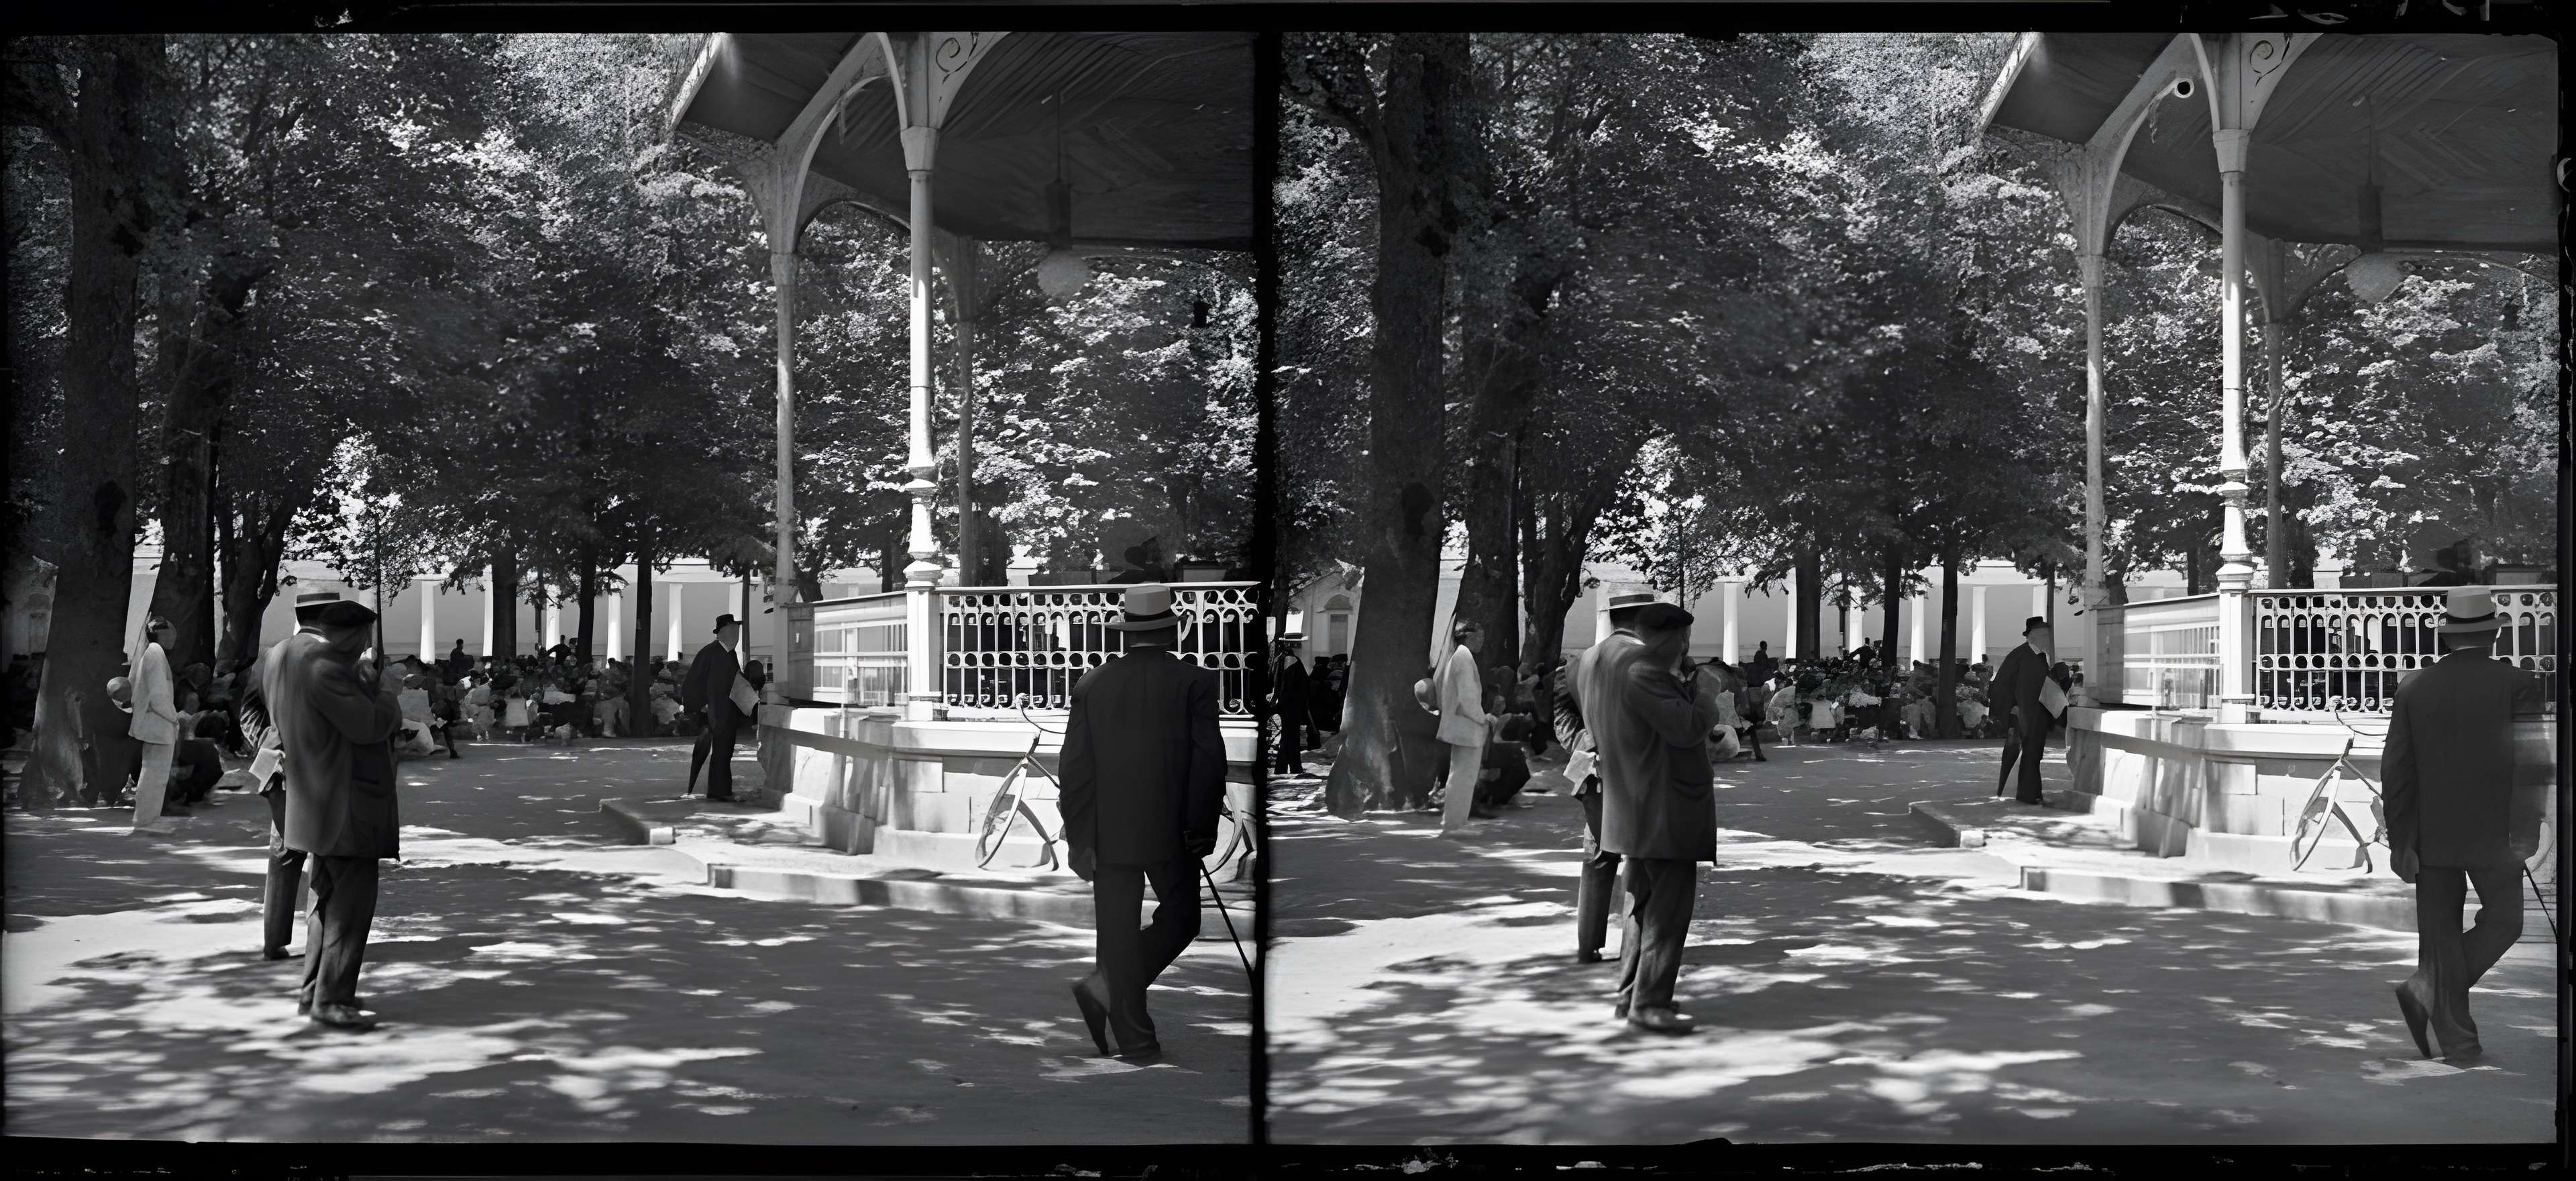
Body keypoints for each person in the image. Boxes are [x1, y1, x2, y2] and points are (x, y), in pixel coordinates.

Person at [1058, 583, 1226, 1064]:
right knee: (1182, 920)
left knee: (1116, 932)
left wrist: (1079, 836)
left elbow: (1075, 768)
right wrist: (1201, 826)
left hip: (1108, 834)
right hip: (1173, 830)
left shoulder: (1091, 683)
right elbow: (1207, 761)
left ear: (1127, 634)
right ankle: (1108, 999)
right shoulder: (1195, 681)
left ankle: (1130, 1030)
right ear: (1172, 630)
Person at [2383, 587, 2548, 1063]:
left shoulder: (2413, 686)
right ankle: (2433, 1005)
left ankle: (2447, 1023)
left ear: (2449, 636)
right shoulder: (2517, 683)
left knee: (2438, 937)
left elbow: (2396, 770)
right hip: (2497, 833)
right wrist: (2527, 830)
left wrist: (2401, 839)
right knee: (2505, 923)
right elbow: (2532, 762)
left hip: (2430, 834)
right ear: (2495, 633)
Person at [265, 588, 403, 1031]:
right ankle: (333, 999)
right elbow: (370, 725)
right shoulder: (328, 670)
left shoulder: (298, 661)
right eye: (364, 636)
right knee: (349, 906)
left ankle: (315, 993)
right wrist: (388, 692)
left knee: (325, 903)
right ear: (352, 635)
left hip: (322, 803)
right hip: (345, 806)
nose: (368, 644)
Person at [1587, 603, 1723, 1034]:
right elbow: (1685, 730)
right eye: (1684, 642)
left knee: (1641, 906)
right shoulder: (1645, 672)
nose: (1686, 651)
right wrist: (1707, 697)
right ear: (1676, 640)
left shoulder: (1611, 667)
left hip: (1639, 806)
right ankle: (1649, 1003)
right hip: (1663, 808)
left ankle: (1632, 996)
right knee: (1666, 910)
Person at [1556, 590, 1652, 964]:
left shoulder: (1577, 663)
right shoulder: (1644, 660)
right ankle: (1638, 946)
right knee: (1642, 857)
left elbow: (1562, 718)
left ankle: (1588, 943)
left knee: (1597, 857)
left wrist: (1584, 747)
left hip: (1591, 772)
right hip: (1635, 772)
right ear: (1642, 620)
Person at [1433, 619, 1493, 836]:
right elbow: (1468, 698)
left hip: (1463, 727)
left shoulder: (1459, 656)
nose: (1483, 641)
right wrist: (1483, 718)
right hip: (1467, 728)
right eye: (1480, 636)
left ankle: (1454, 823)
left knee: (1460, 776)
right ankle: (1454, 825)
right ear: (1468, 636)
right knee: (1463, 778)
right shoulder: (1464, 658)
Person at [680, 614, 748, 801]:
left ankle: (720, 789)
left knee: (724, 750)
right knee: (722, 750)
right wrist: (701, 706)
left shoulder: (728, 654)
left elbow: (735, 680)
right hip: (716, 711)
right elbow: (694, 683)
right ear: (725, 631)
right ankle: (720, 791)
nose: (737, 634)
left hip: (725, 710)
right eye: (734, 629)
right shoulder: (712, 652)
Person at [127, 616, 184, 832]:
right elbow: (159, 696)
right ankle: (145, 822)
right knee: (154, 775)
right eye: (172, 634)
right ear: (162, 634)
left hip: (157, 724)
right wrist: (174, 717)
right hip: (158, 725)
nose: (174, 638)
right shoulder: (155, 653)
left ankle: (148, 820)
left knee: (154, 775)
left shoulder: (153, 653)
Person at [1992, 617, 2057, 804]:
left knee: (2035, 753)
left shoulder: (2039, 656)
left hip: (2037, 712)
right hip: (2024, 713)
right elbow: (2000, 685)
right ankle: (2028, 795)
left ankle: (2033, 793)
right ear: (2034, 636)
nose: (2048, 638)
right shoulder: (2019, 655)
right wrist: (2013, 707)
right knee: (2029, 752)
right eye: (2045, 634)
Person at [1269, 634, 1312, 775]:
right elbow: (1287, 687)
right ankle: (1290, 768)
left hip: (1288, 705)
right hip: (1291, 706)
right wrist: (1282, 704)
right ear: (1292, 645)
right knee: (1291, 738)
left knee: (1289, 738)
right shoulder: (1291, 660)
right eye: (1298, 644)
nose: (1301, 647)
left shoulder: (1280, 659)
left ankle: (1288, 768)